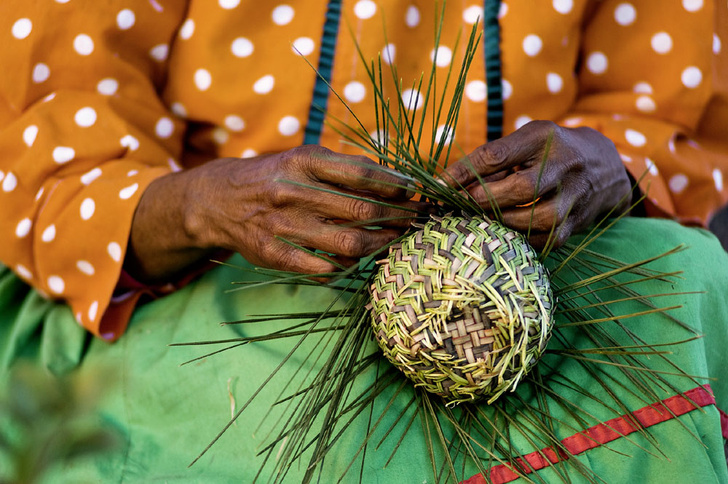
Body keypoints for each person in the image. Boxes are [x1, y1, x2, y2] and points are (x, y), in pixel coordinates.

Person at [1, 1, 727, 482]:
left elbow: (661, 113)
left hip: (539, 261)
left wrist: (611, 163)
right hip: (195, 270)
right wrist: (199, 205)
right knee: (301, 418)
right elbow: (56, 145)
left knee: (691, 283)